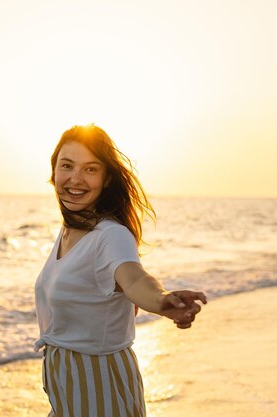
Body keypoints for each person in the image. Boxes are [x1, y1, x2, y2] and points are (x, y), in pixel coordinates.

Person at [34, 124, 207, 417]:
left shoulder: (110, 235)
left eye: (90, 169)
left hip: (99, 384)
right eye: (67, 166)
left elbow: (134, 278)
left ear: (106, 179)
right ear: (54, 172)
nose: (75, 179)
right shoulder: (70, 230)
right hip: (68, 390)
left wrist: (162, 301)